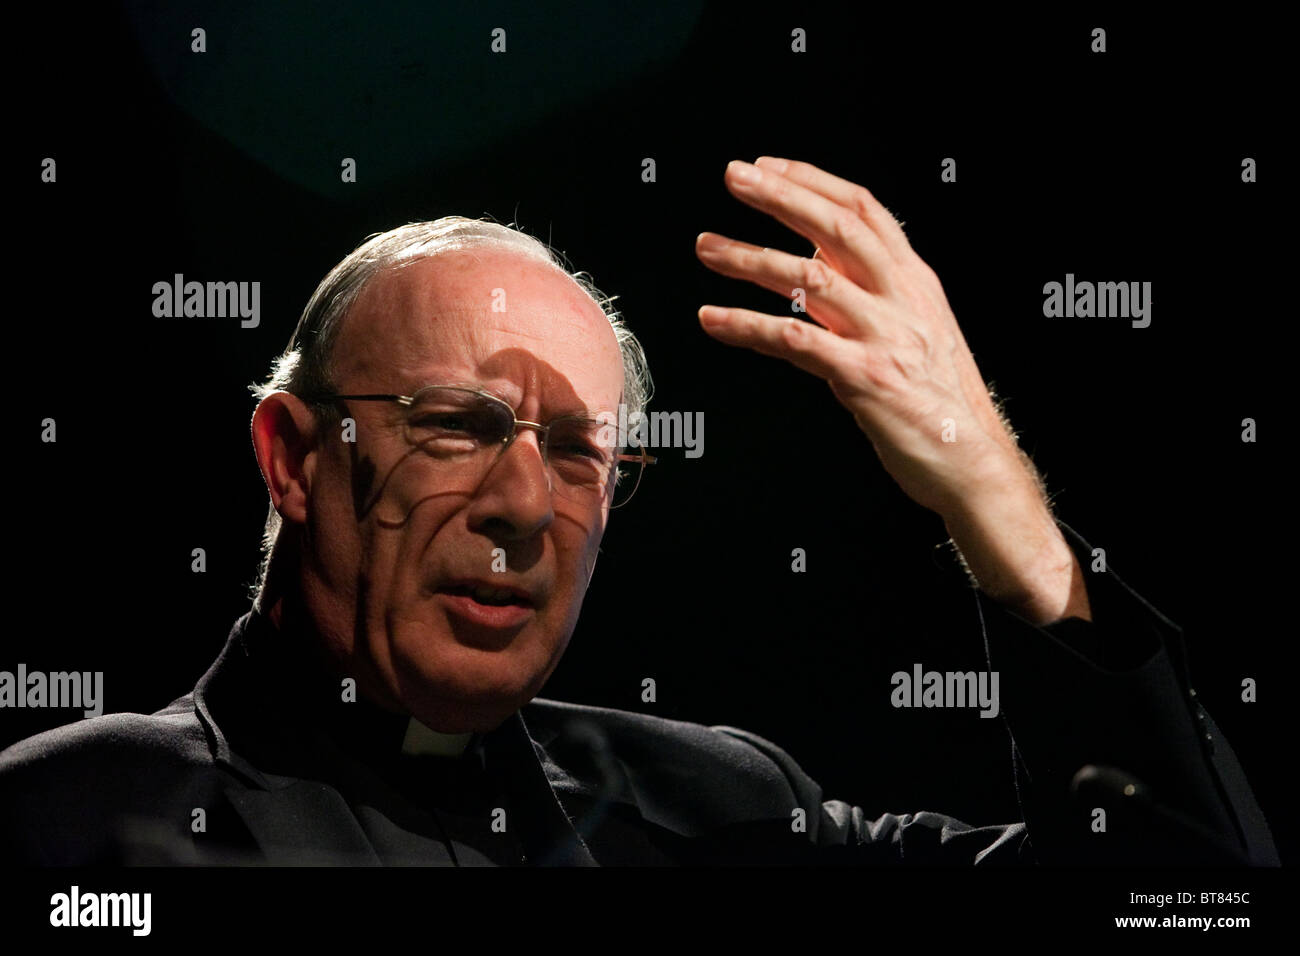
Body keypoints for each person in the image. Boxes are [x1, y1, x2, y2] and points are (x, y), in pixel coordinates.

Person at [0, 158, 1279, 865]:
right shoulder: (74, 827)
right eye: (456, 425)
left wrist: (998, 503)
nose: (522, 505)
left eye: (579, 455)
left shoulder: (727, 810)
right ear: (291, 455)